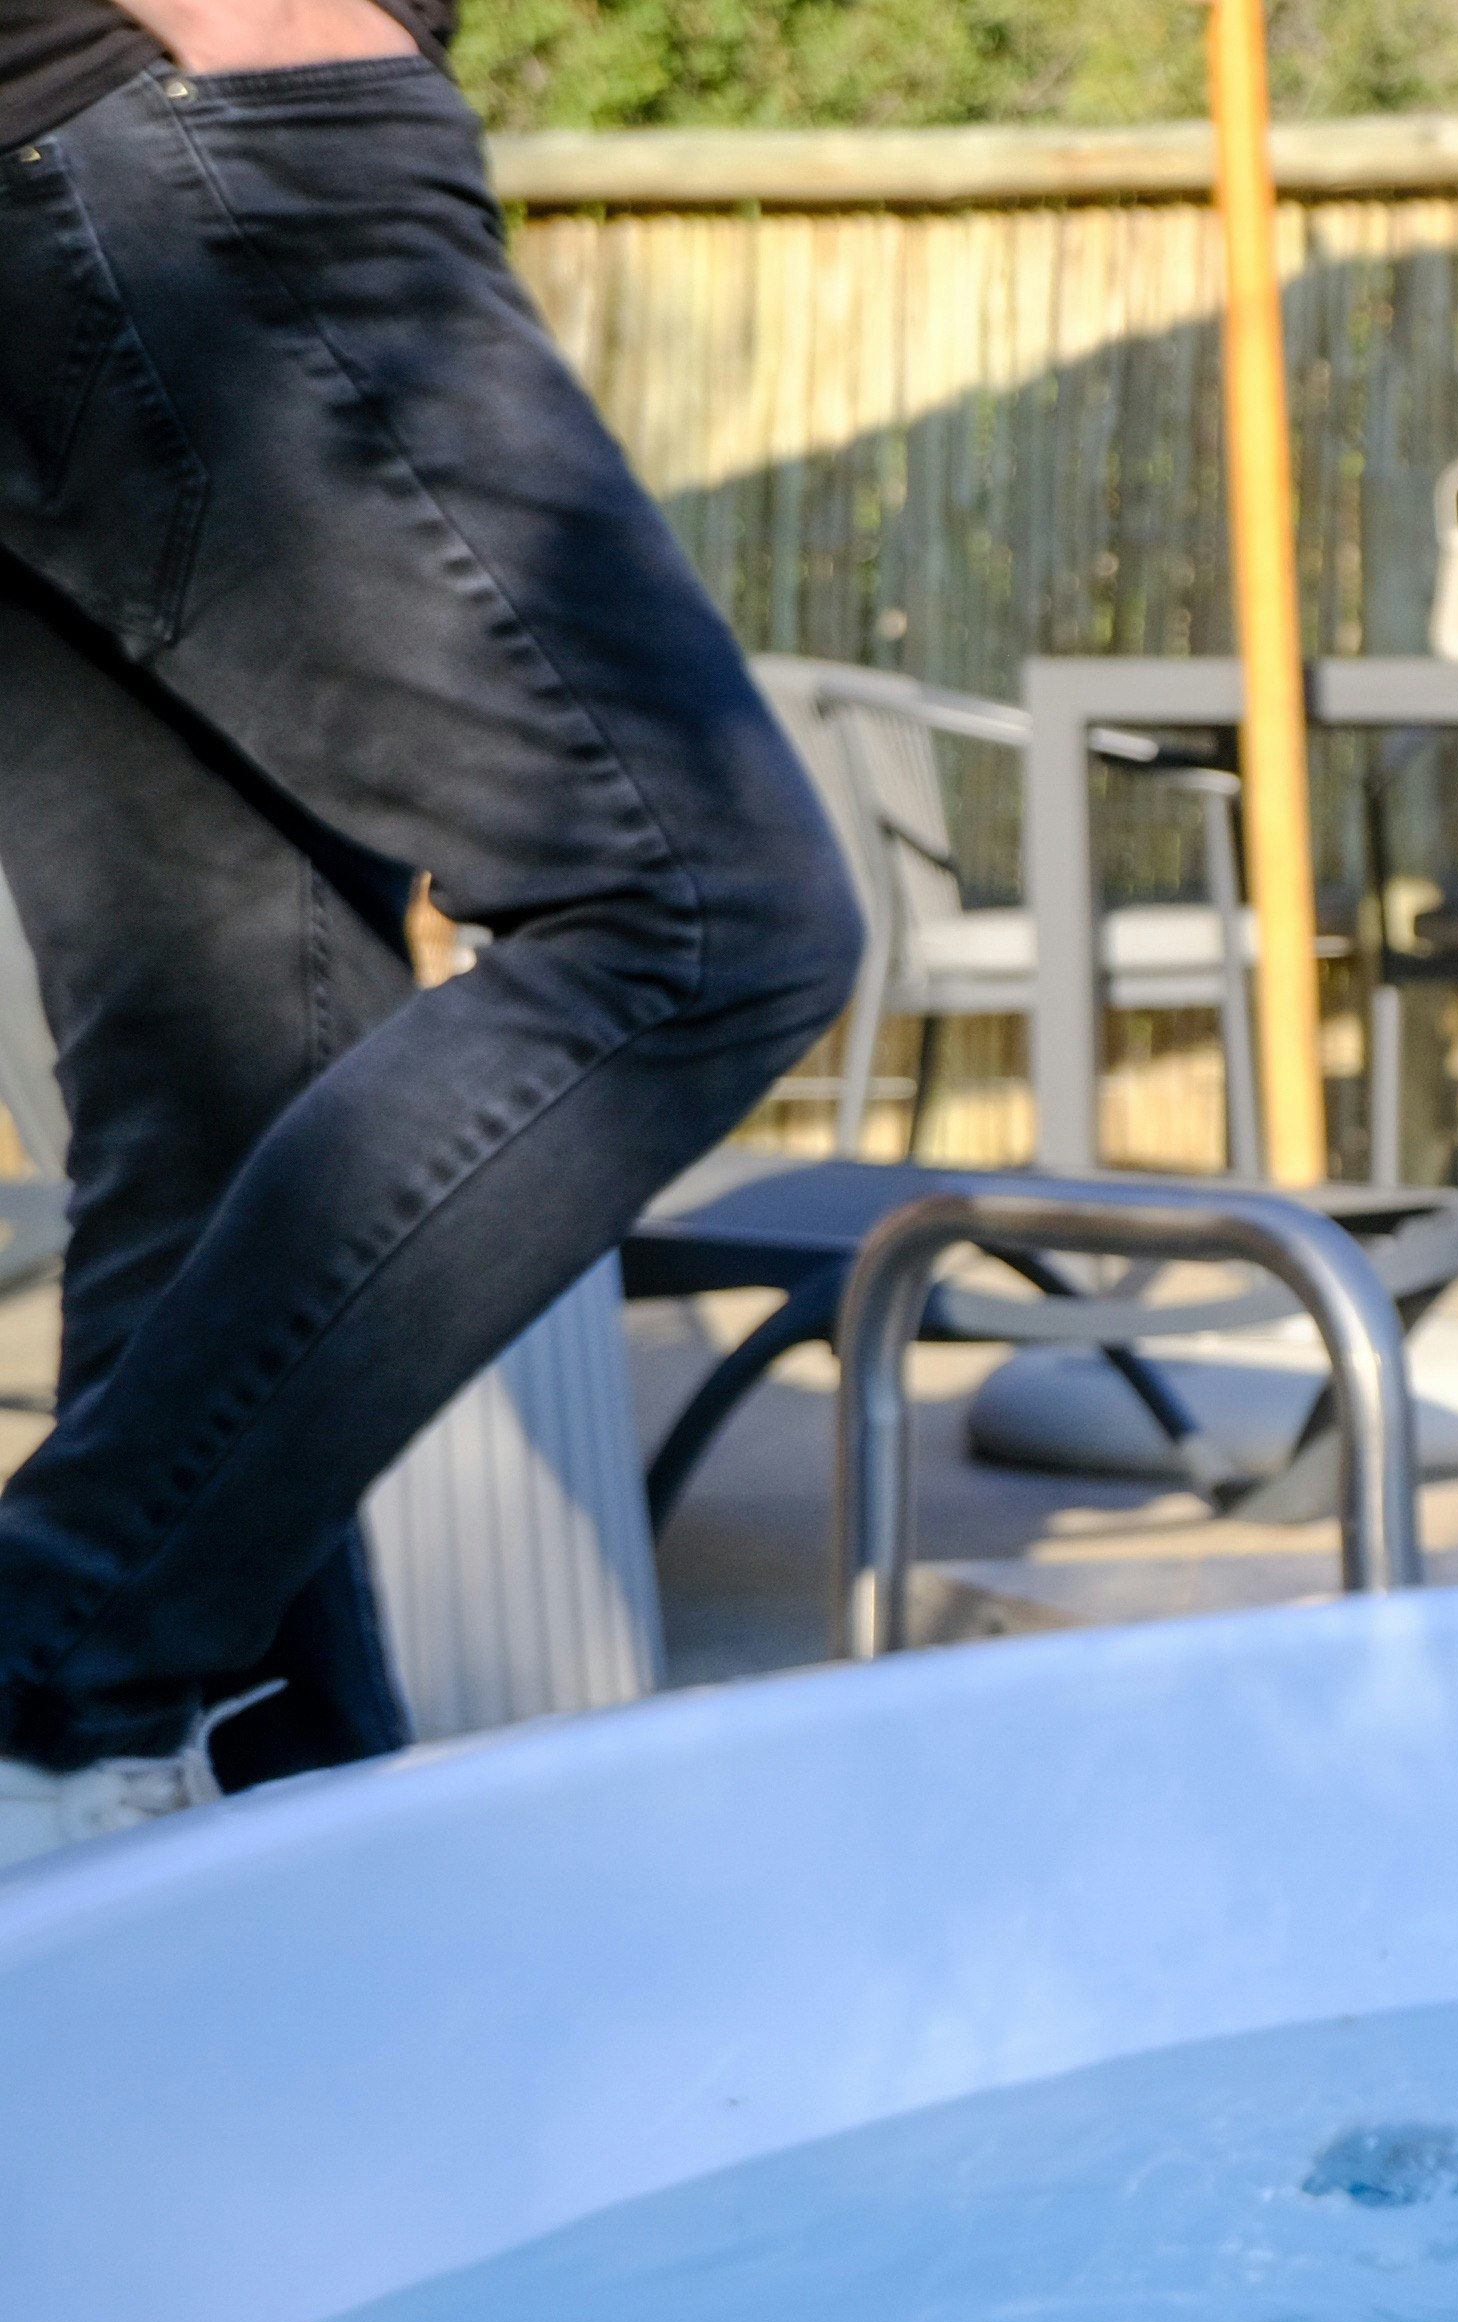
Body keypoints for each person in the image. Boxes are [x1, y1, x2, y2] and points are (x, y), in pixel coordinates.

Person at [0, 0, 862, 1856]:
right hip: (180, 140)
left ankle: (217, 1885)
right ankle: (48, 1661)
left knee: (226, 1097)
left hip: (72, 182)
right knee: (704, 915)